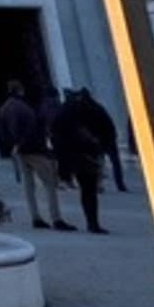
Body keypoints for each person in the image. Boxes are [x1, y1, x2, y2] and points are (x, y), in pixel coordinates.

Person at [0, 80, 71, 232]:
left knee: (28, 186)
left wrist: (14, 146)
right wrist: (23, 142)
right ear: (20, 90)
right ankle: (56, 218)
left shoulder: (4, 108)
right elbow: (31, 128)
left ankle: (35, 217)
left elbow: (3, 131)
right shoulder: (23, 108)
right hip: (34, 150)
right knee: (50, 184)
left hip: (20, 152)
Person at [55, 88, 110, 235]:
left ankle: (92, 221)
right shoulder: (89, 111)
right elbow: (106, 128)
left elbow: (57, 137)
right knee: (89, 190)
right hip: (87, 154)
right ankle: (93, 222)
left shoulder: (63, 113)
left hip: (74, 156)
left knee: (86, 190)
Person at [76, 86, 126, 192]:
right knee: (115, 162)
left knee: (98, 162)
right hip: (109, 137)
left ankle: (99, 185)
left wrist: (91, 138)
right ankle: (120, 184)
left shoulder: (83, 110)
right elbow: (108, 122)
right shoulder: (98, 107)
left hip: (99, 139)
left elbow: (85, 126)